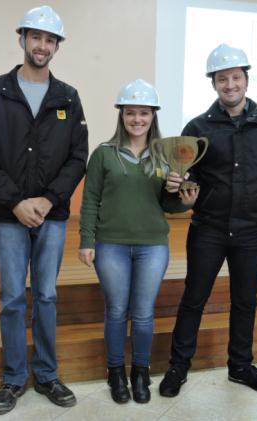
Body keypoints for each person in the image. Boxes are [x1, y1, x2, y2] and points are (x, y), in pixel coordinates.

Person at [0, 5, 88, 415]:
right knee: (13, 297)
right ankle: (14, 379)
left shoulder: (67, 96)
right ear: (23, 40)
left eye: (50, 39)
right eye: (36, 37)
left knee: (47, 295)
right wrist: (16, 202)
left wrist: (48, 199)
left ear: (57, 46)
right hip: (7, 216)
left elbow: (77, 156)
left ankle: (48, 375)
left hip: (51, 216)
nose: (42, 45)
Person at [159, 43, 257, 397]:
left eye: (236, 77)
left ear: (246, 80)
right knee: (194, 298)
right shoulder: (198, 126)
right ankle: (178, 366)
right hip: (208, 229)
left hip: (251, 232)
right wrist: (176, 188)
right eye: (223, 79)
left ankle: (240, 366)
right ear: (214, 84)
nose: (230, 84)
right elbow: (181, 178)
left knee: (245, 301)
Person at [78, 79, 198, 404]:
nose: (137, 120)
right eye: (130, 113)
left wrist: (182, 198)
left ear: (153, 116)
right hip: (110, 244)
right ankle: (115, 372)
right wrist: (86, 240)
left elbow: (168, 205)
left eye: (143, 113)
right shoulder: (103, 154)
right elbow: (90, 200)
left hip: (152, 246)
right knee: (116, 311)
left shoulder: (165, 157)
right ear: (121, 115)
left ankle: (140, 373)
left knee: (143, 313)